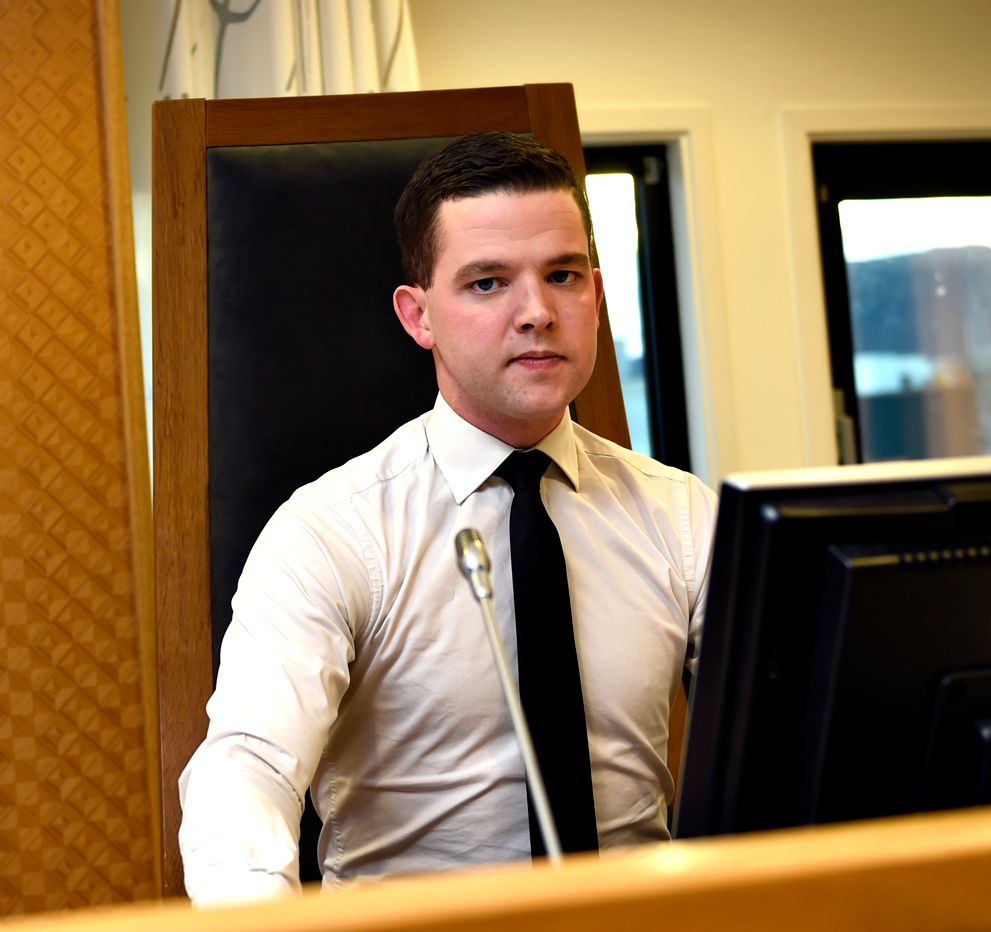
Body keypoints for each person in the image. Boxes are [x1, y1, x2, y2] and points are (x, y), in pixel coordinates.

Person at [178, 133, 717, 905]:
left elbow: (794, 739)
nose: (537, 313)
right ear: (419, 315)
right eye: (488, 283)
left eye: (562, 276)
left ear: (596, 297)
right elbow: (247, 769)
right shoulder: (330, 533)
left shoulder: (683, 515)